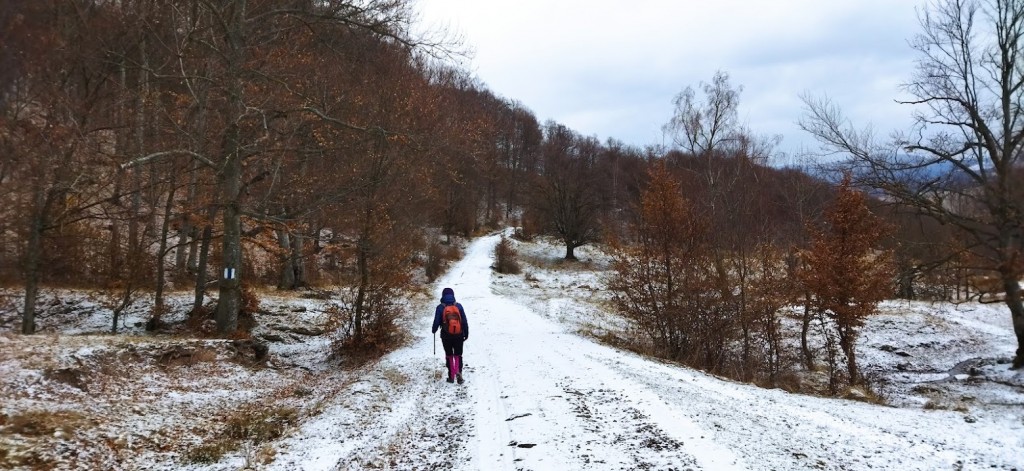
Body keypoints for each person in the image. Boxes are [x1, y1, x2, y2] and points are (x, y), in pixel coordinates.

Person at [432, 287, 468, 384]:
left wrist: (434, 330)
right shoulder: (459, 306)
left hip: (446, 335)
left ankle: (451, 376)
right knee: (458, 354)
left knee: (449, 355)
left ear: (443, 296)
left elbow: (436, 321)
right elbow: (464, 321)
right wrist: (466, 333)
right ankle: (458, 373)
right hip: (459, 335)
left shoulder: (440, 307)